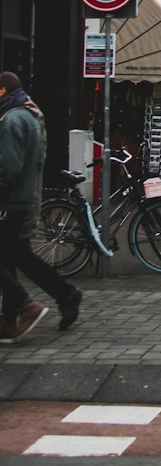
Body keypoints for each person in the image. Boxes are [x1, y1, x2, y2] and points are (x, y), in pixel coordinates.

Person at [0, 71, 82, 341]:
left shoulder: (12, 120)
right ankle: (57, 297)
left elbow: (7, 169)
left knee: (11, 257)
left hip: (11, 201)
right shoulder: (31, 114)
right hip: (25, 198)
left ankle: (22, 309)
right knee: (17, 256)